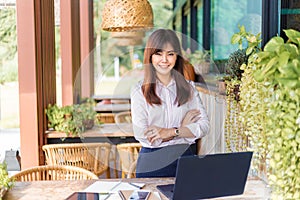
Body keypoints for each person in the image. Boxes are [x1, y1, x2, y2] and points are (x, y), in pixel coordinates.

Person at [130, 29, 209, 178]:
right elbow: (142, 134)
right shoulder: (139, 91)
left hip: (186, 160)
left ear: (177, 57)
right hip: (152, 163)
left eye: (170, 54)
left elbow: (204, 127)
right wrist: (183, 129)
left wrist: (171, 132)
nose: (164, 60)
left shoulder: (189, 88)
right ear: (150, 56)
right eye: (158, 54)